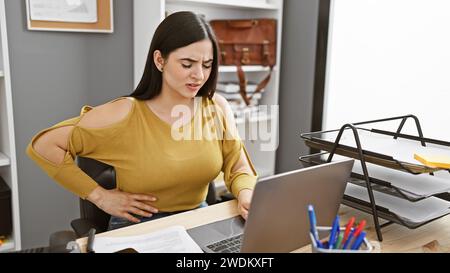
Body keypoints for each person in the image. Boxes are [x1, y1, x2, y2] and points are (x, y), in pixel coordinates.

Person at [26, 11, 258, 231]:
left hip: (195, 218)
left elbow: (237, 165)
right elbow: (44, 145)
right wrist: (100, 197)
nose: (199, 75)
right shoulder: (124, 112)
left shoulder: (216, 107)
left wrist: (246, 193)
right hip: (140, 226)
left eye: (206, 65)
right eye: (187, 64)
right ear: (160, 60)